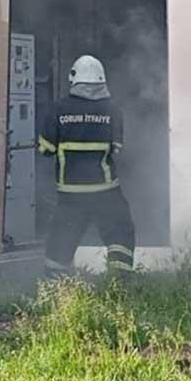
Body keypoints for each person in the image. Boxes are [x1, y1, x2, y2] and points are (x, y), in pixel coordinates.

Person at [38, 55, 136, 275]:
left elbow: (45, 149)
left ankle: (57, 291)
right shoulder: (113, 110)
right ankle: (119, 283)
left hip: (71, 194)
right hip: (106, 191)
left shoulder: (58, 110)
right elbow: (117, 148)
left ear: (74, 79)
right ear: (102, 80)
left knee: (60, 242)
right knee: (121, 231)